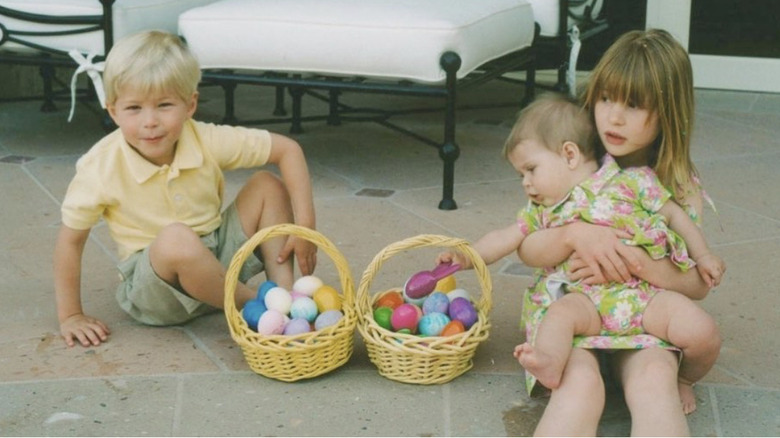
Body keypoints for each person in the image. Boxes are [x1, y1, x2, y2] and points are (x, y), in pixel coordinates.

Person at [437, 92, 723, 417]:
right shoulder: (543, 209)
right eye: (521, 176)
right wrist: (467, 256)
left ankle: (684, 377)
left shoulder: (633, 181)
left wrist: (703, 256)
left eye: (530, 169)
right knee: (559, 316)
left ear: (569, 154)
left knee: (703, 332)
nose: (526, 184)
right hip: (584, 300)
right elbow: (504, 238)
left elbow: (676, 216)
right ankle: (549, 362)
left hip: (643, 297)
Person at [53, 30, 317, 349]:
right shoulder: (99, 166)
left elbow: (287, 150)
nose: (150, 121)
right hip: (157, 289)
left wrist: (304, 227)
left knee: (266, 185)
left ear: (190, 104)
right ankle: (261, 309)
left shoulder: (204, 138)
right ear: (112, 110)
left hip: (216, 262)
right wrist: (71, 315)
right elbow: (70, 241)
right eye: (134, 108)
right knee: (176, 237)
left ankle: (286, 296)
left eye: (164, 105)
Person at [517, 29, 721, 435]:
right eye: (606, 98)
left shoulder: (677, 186)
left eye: (633, 105)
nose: (613, 116)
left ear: (667, 113)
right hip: (575, 310)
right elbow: (526, 245)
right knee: (579, 387)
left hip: (641, 315)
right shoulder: (573, 157)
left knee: (654, 380)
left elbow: (697, 287)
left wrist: (638, 263)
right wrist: (574, 234)